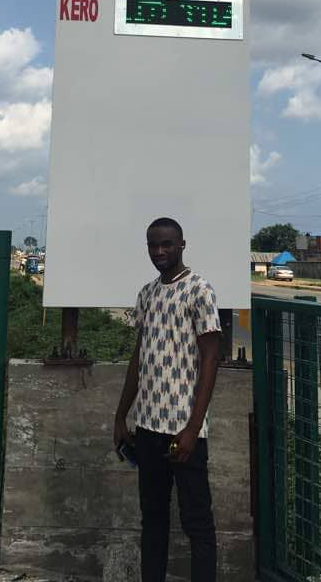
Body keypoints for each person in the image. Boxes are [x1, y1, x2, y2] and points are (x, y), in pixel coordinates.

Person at [114, 216, 222, 582]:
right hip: (147, 427)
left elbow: (211, 359)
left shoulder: (199, 290)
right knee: (153, 520)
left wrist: (193, 428)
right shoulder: (147, 293)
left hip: (184, 432)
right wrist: (121, 416)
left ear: (181, 245)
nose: (159, 251)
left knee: (197, 523)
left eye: (166, 244)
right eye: (153, 245)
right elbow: (139, 357)